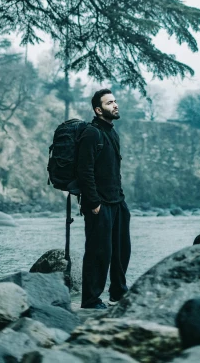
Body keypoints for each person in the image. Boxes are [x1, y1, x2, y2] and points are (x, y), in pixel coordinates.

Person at [77, 88, 131, 309]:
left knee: (121, 250)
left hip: (117, 201)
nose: (115, 105)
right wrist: (93, 202)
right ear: (99, 110)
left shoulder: (112, 132)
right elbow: (85, 170)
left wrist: (120, 201)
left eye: (115, 101)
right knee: (99, 253)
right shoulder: (92, 133)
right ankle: (90, 300)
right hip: (99, 204)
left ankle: (118, 293)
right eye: (110, 103)